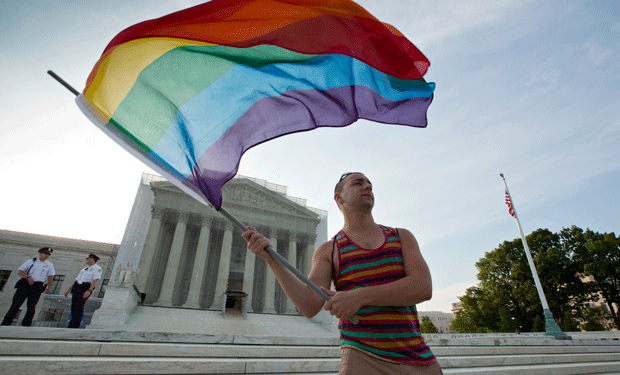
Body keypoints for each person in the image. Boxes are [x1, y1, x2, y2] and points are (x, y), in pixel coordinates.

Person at [243, 172, 443, 374]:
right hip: (363, 359)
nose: (368, 187)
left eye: (369, 184)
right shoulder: (329, 250)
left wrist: (359, 296)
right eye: (358, 183)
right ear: (339, 198)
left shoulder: (402, 237)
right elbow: (309, 305)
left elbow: (423, 287)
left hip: (420, 360)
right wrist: (272, 259)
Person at [2, 247, 55, 327]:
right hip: (25, 285)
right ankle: (6, 323)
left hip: (37, 286)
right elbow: (20, 271)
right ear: (40, 253)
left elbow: (50, 276)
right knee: (16, 305)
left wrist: (49, 287)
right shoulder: (31, 262)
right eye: (45, 253)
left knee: (31, 307)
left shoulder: (49, 265)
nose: (46, 256)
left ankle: (26, 325)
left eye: (48, 254)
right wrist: (27, 278)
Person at [64, 253, 102, 328]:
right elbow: (77, 280)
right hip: (77, 287)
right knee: (73, 306)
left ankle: (75, 325)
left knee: (79, 306)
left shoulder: (97, 268)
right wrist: (68, 289)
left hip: (84, 288)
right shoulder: (84, 269)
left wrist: (89, 290)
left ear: (91, 259)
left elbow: (95, 280)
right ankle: (71, 324)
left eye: (87, 259)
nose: (86, 260)